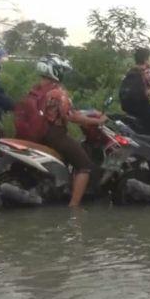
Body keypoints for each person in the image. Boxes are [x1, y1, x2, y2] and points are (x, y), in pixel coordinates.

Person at [34, 54, 106, 207]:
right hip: (56, 135)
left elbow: (69, 111)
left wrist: (88, 113)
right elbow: (72, 117)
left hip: (41, 133)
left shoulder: (38, 88)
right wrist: (97, 121)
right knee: (85, 166)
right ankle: (74, 208)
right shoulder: (58, 92)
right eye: (61, 70)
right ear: (54, 71)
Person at [119, 47, 150, 135]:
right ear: (146, 60)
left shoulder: (130, 73)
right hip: (144, 113)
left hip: (129, 111)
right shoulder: (148, 74)